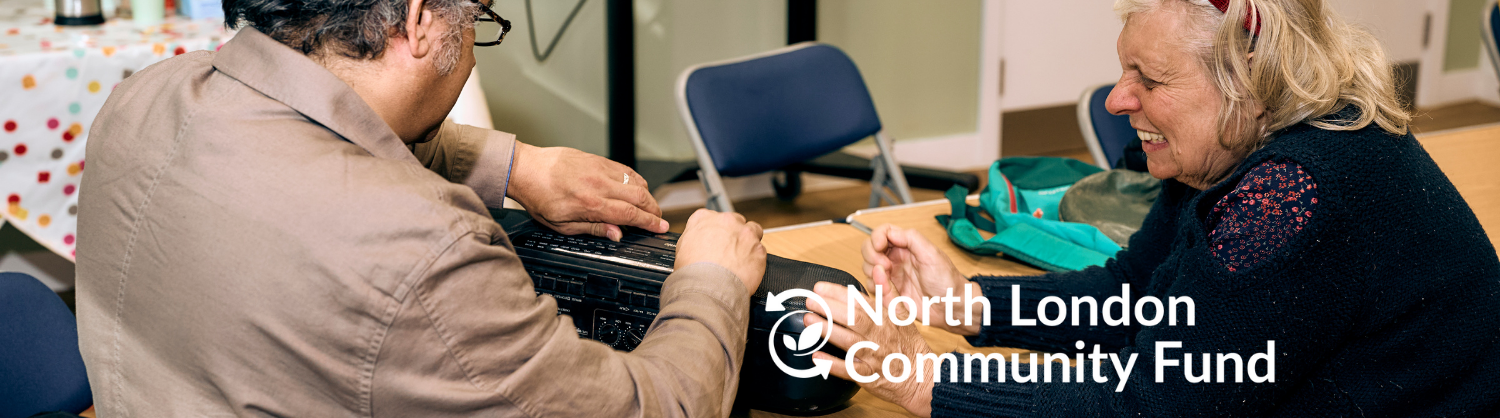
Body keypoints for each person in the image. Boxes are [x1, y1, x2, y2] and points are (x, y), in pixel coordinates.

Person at [804, 0, 1500, 416]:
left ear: (1247, 81)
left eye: (1152, 78)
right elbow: (1140, 294)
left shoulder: (1291, 191)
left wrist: (927, 378)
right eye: (1123, 68)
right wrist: (971, 306)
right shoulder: (1232, 146)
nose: (1116, 99)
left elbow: (1153, 401)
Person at [73, 0, 766, 415]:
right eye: (479, 20)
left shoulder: (147, 97)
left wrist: (519, 167)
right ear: (420, 20)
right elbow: (655, 407)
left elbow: (324, 125)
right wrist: (712, 282)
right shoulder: (422, 248)